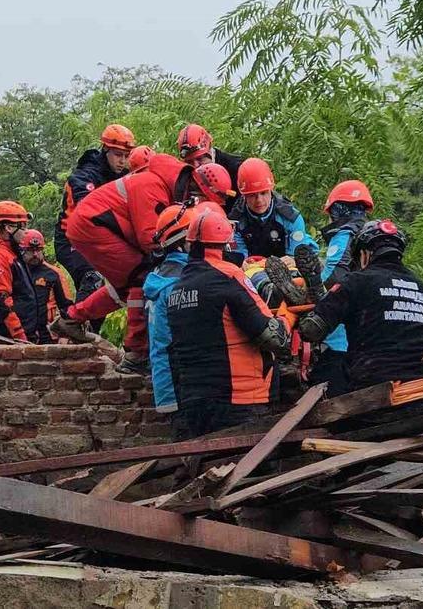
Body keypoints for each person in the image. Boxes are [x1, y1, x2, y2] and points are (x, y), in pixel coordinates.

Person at [50, 153, 234, 374]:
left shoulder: (167, 186)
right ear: (196, 190)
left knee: (125, 287)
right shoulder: (151, 186)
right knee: (142, 276)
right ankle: (136, 353)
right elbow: (151, 239)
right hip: (93, 225)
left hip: (99, 224)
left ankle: (72, 318)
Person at [165, 207, 290, 439]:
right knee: (251, 462)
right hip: (240, 400)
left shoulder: (177, 289)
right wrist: (286, 315)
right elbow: (274, 337)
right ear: (227, 244)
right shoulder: (229, 277)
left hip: (193, 403)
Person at [297, 219, 423, 397]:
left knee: (328, 368)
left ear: (364, 254)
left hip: (374, 384)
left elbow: (310, 330)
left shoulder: (356, 281)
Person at [53, 123, 135, 326]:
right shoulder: (84, 176)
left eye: (126, 156)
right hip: (71, 239)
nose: (122, 161)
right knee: (93, 277)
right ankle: (71, 327)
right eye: (118, 155)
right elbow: (88, 211)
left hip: (98, 239)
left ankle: (89, 333)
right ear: (105, 150)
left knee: (111, 288)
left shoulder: (124, 175)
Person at [141, 204, 194, 414]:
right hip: (183, 385)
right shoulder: (181, 281)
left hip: (167, 384)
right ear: (182, 241)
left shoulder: (161, 275)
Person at [229, 157, 317, 260]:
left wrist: (292, 260)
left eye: (263, 193)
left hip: (287, 260)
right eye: (252, 195)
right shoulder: (235, 222)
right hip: (254, 265)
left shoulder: (290, 217)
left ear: (271, 190)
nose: (259, 200)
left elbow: (295, 255)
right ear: (244, 195)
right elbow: (241, 259)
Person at [0, 200, 36, 341]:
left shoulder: (12, 254)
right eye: (23, 227)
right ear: (9, 228)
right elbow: (3, 302)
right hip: (8, 337)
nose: (26, 232)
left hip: (24, 333)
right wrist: (19, 336)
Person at [18, 229, 73, 344]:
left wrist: (65, 335)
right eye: (30, 250)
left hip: (47, 335)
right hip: (20, 333)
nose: (35, 254)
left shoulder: (54, 274)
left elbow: (67, 306)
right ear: (22, 250)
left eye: (38, 250)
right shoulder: (16, 271)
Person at [176, 123, 244, 208]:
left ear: (210, 151)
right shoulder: (185, 174)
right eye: (190, 162)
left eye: (200, 159)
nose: (196, 166)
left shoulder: (236, 169)